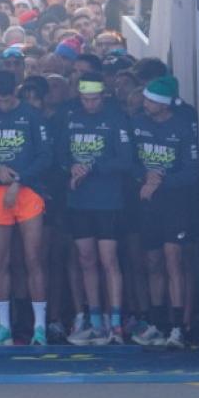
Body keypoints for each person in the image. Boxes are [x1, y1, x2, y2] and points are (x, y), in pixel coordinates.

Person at [0, 70, 52, 346]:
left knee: (32, 259)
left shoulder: (32, 116)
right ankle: (4, 326)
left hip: (28, 191)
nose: (3, 105)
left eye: (8, 100)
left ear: (15, 92)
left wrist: (19, 179)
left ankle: (40, 327)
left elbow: (46, 156)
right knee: (0, 260)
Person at [59, 76, 134, 345]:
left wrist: (92, 166)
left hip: (108, 201)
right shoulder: (71, 119)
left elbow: (126, 160)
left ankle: (115, 322)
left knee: (108, 260)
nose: (90, 104)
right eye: (85, 99)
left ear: (103, 96)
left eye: (94, 99)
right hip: (79, 201)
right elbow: (61, 155)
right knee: (86, 259)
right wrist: (71, 167)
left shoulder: (116, 119)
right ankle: (95, 319)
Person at [130, 76, 199, 349]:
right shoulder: (137, 123)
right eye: (145, 99)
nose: (145, 103)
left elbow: (192, 171)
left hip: (175, 203)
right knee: (153, 261)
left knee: (174, 260)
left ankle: (179, 326)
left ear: (164, 104)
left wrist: (160, 181)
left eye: (150, 100)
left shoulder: (182, 127)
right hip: (148, 203)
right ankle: (157, 323)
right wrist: (144, 177)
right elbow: (130, 162)